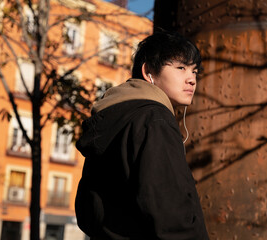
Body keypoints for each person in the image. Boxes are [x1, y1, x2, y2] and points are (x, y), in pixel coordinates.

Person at [75, 31, 210, 240]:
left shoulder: (115, 118)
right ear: (149, 72)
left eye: (195, 71)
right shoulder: (154, 120)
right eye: (181, 68)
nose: (192, 79)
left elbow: (87, 211)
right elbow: (170, 210)